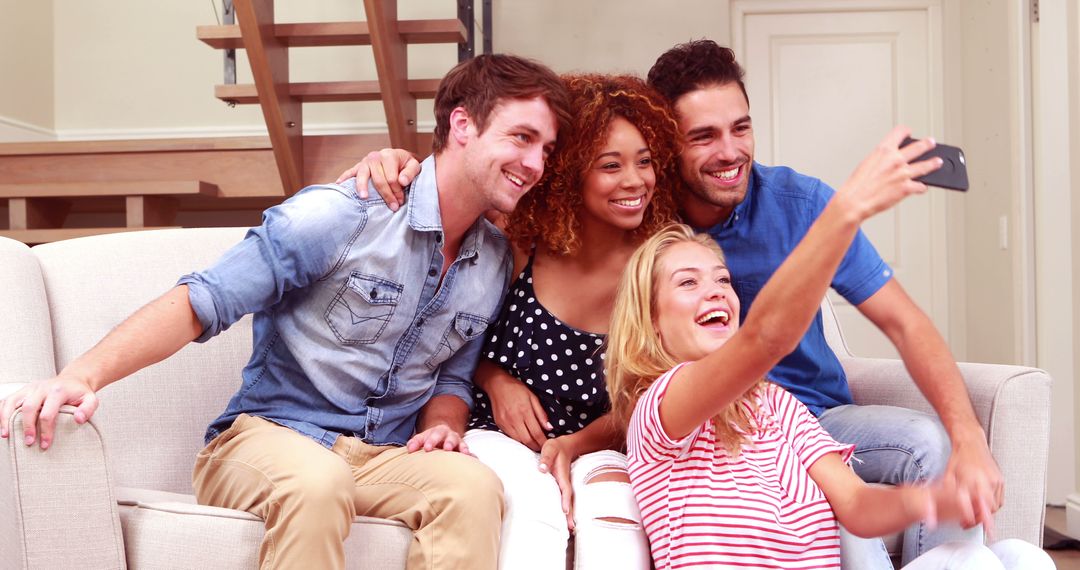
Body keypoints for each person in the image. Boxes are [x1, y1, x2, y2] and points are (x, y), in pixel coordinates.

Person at [0, 53, 571, 570]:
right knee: (317, 483)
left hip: (383, 456)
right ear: (463, 125)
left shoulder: (493, 260)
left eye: (545, 148)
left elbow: (451, 373)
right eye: (521, 137)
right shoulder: (342, 216)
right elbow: (202, 301)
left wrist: (443, 426)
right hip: (267, 440)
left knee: (472, 489)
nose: (535, 162)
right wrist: (80, 376)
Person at [604, 131, 1053, 569]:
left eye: (723, 279)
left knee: (1021, 557)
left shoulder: (780, 407)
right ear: (652, 322)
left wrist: (938, 498)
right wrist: (845, 211)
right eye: (688, 282)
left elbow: (857, 505)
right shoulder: (660, 409)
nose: (716, 291)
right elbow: (765, 339)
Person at [644, 40, 1002, 566]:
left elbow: (904, 323)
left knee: (927, 443)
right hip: (707, 424)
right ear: (666, 143)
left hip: (811, 418)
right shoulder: (643, 222)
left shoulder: (802, 204)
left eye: (741, 128)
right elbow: (760, 339)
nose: (730, 151)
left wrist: (968, 435)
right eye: (703, 136)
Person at [341, 73, 679, 570]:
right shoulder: (518, 244)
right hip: (495, 434)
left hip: (606, 442)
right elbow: (450, 336)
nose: (635, 181)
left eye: (645, 161)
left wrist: (571, 446)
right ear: (569, 174)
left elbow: (659, 396)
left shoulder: (660, 266)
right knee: (531, 508)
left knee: (616, 522)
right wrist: (496, 380)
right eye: (611, 165)